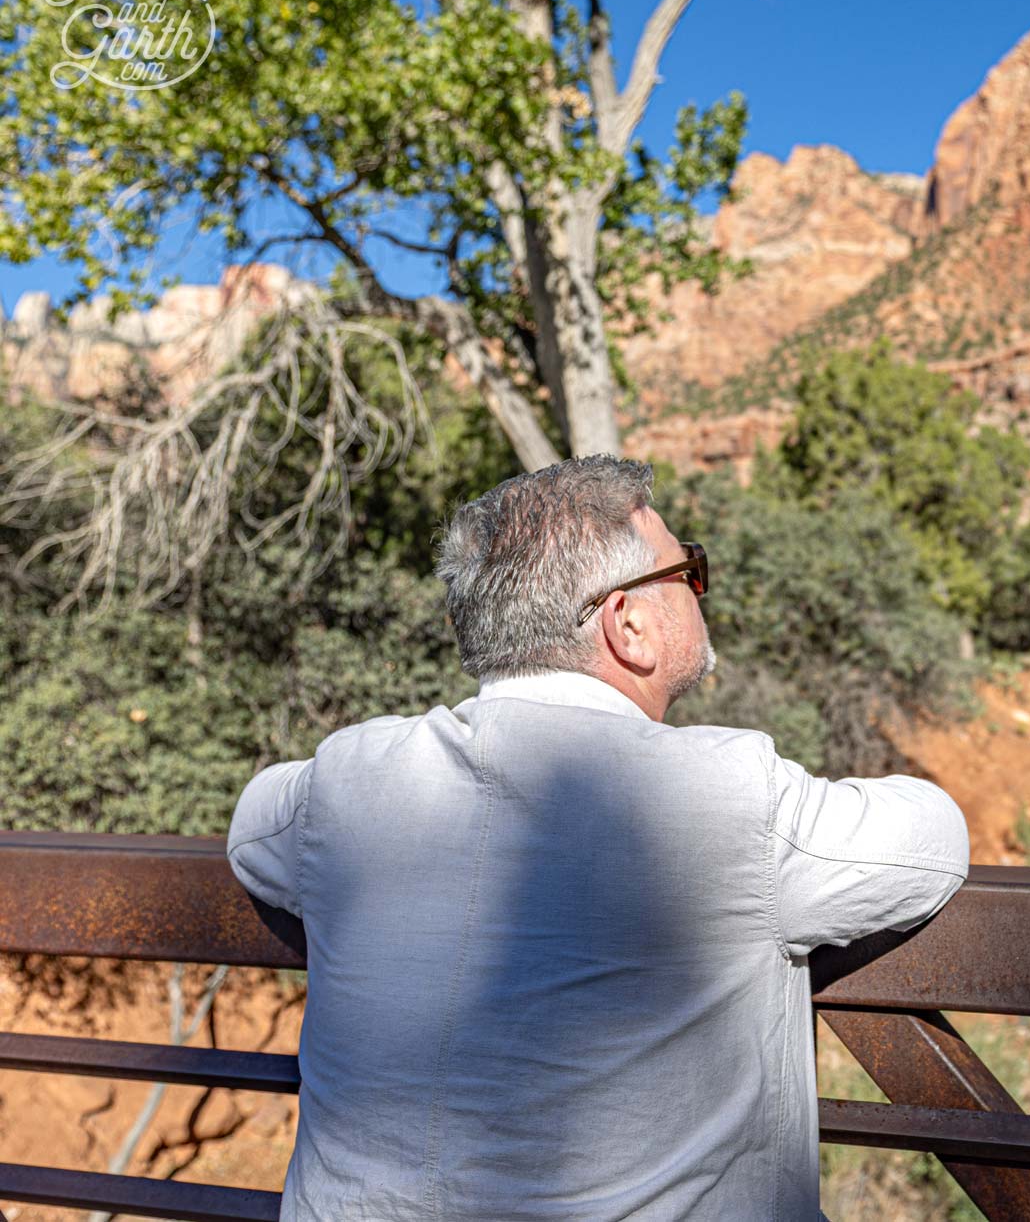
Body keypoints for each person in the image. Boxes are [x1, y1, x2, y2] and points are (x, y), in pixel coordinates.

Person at [226, 455, 969, 1220]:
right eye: (690, 571)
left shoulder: (346, 777)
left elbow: (252, 829)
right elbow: (932, 842)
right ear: (629, 623)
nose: (700, 588)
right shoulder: (725, 792)